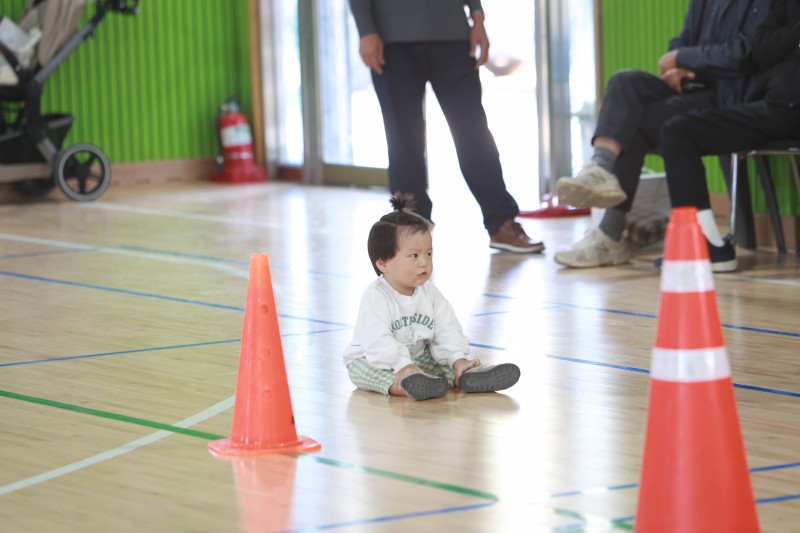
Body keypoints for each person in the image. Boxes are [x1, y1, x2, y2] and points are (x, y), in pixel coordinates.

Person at [553, 0, 772, 268]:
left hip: (729, 96)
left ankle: (610, 234)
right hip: (691, 87)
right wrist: (675, 65)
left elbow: (746, 53)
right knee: (625, 81)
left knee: (631, 123)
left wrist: (683, 59)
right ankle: (600, 167)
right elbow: (682, 40)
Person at [348, 0, 544, 254]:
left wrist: (478, 17)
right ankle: (411, 230)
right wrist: (366, 30)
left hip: (452, 34)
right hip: (392, 39)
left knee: (473, 132)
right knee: (403, 140)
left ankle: (502, 224)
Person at [657, 0, 800, 272]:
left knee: (678, 131)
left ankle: (706, 248)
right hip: (772, 104)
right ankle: (706, 245)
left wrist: (787, 41)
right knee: (677, 130)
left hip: (786, 107)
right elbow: (757, 47)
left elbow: (758, 47)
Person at [342, 193, 521, 401]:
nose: (424, 263)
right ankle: (402, 386)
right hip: (371, 358)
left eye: (429, 254)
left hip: (415, 357)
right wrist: (403, 366)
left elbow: (448, 329)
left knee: (438, 363)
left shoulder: (431, 293)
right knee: (371, 372)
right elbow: (378, 343)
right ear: (383, 263)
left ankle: (463, 375)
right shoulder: (376, 297)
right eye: (414, 255)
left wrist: (457, 358)